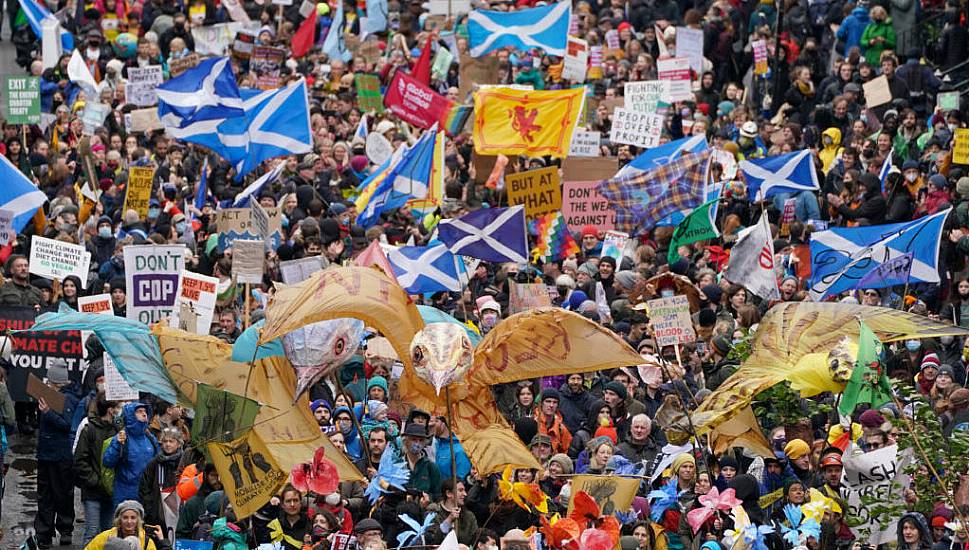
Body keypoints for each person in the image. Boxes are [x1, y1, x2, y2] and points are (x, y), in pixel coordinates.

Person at [34, 360, 83, 549]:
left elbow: (67, 425)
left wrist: (47, 412)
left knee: (62, 493)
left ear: (55, 380)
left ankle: (65, 530)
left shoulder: (69, 399)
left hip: (61, 456)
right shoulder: (50, 395)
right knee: (44, 495)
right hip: (46, 454)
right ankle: (44, 533)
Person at [73, 392, 120, 546]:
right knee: (92, 532)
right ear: (110, 409)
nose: (119, 410)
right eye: (117, 407)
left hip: (109, 491)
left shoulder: (117, 430)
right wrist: (96, 481)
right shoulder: (89, 429)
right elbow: (80, 460)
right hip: (93, 491)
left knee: (109, 533)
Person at [103, 402, 160, 507]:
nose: (144, 414)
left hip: (147, 494)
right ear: (130, 416)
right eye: (139, 411)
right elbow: (107, 462)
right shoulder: (122, 437)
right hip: (125, 494)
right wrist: (117, 445)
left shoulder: (150, 438)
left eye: (145, 411)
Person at [138, 427, 185, 534]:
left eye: (171, 441)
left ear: (178, 444)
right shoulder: (154, 463)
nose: (168, 444)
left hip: (178, 512)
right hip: (157, 514)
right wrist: (149, 510)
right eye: (165, 441)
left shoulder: (184, 463)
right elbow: (145, 487)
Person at [84, 501, 165, 550]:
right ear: (119, 519)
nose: (129, 521)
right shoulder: (106, 537)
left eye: (133, 518)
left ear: (138, 520)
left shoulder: (147, 542)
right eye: (125, 517)